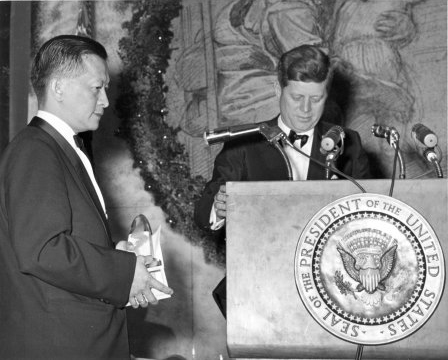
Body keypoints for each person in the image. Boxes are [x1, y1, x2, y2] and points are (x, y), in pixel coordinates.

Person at [0, 35, 173, 359]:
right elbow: (41, 250)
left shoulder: (57, 148)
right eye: (97, 88)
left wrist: (114, 254)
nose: (106, 100)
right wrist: (122, 272)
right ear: (59, 88)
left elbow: (59, 242)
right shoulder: (36, 151)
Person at [194, 44, 371, 318]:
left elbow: (371, 214)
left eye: (316, 99)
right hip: (261, 293)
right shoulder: (243, 143)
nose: (305, 109)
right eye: (296, 97)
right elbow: (204, 209)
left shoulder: (349, 144)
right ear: (278, 90)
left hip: (335, 294)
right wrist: (220, 206)